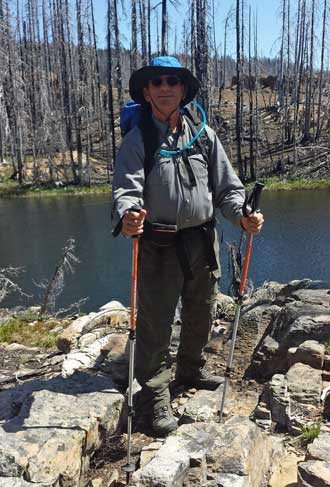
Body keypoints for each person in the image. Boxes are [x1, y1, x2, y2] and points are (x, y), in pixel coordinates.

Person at [111, 56, 264, 436]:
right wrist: (128, 214)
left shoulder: (204, 135)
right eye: (157, 82)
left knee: (202, 310)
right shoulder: (139, 139)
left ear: (183, 89)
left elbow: (228, 189)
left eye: (172, 81)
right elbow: (125, 189)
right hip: (158, 243)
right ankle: (154, 396)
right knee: (155, 323)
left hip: (201, 240)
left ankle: (191, 369)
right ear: (146, 92)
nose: (165, 88)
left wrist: (243, 215)